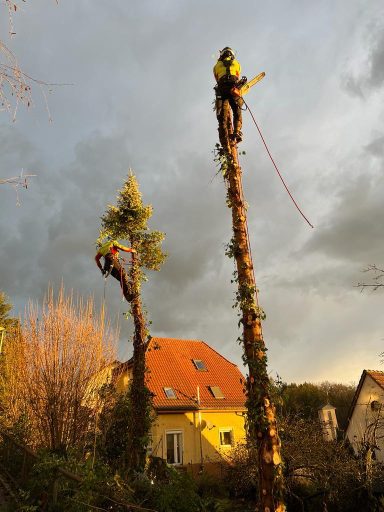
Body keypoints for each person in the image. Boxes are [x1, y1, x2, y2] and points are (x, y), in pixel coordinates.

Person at [213, 47, 245, 144]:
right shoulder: (237, 64)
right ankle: (237, 131)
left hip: (221, 90)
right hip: (233, 88)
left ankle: (224, 139)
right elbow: (237, 74)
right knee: (237, 110)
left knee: (222, 116)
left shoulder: (216, 66)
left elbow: (217, 78)